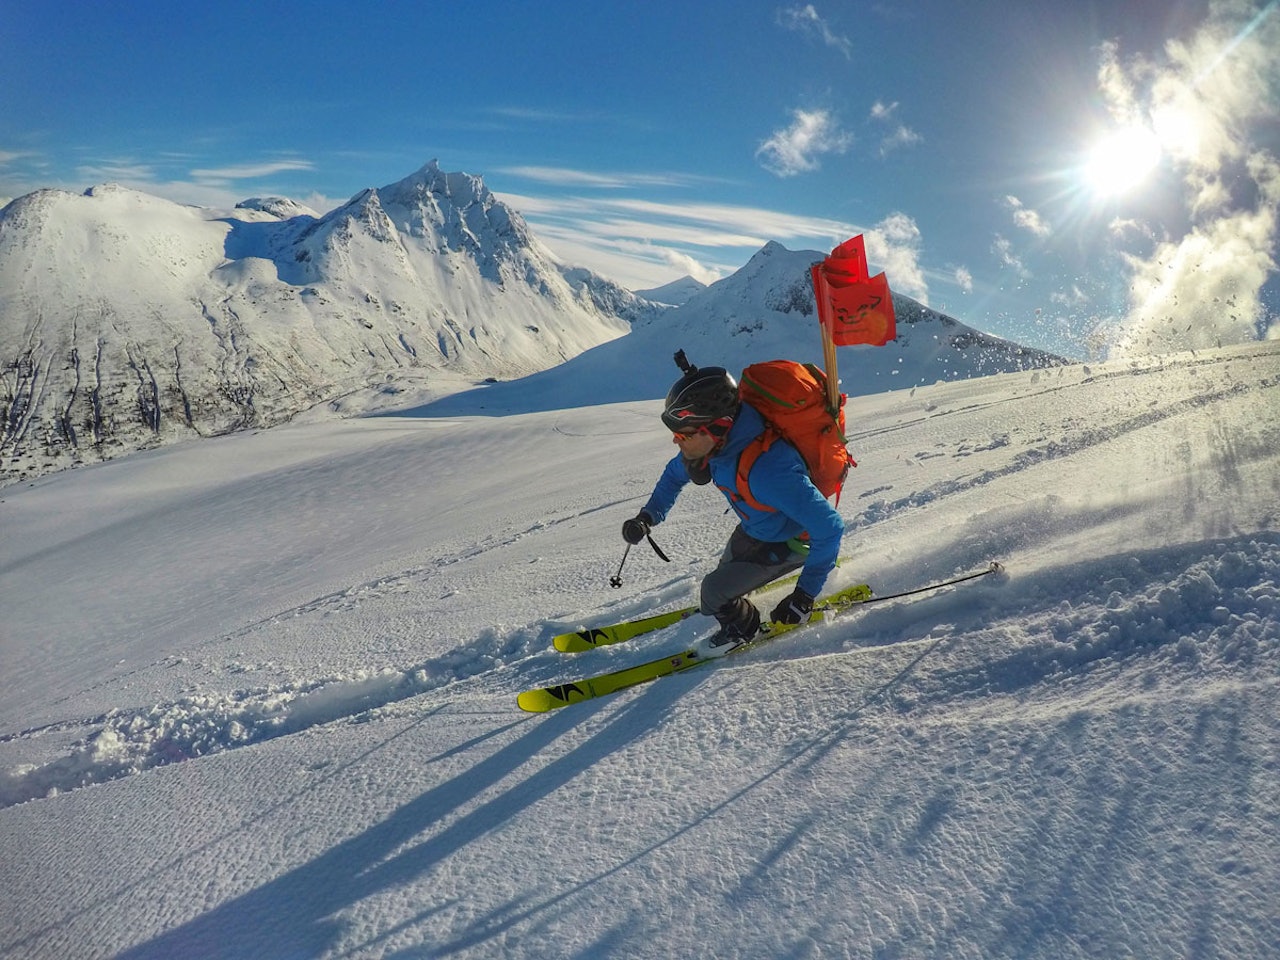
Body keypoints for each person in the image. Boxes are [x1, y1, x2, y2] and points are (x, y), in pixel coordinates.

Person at [622, 355, 845, 653]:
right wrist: (647, 516)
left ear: (716, 427)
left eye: (682, 435)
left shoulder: (768, 470)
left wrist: (804, 596)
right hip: (758, 528)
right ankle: (732, 601)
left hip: (793, 542)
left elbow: (829, 528)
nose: (677, 442)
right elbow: (674, 475)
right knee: (722, 581)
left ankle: (742, 628)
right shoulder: (716, 444)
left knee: (712, 591)